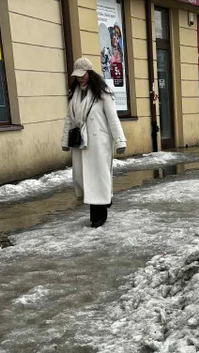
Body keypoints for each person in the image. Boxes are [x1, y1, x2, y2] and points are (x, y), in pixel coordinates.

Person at [62, 57, 127, 228]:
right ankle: (104, 200)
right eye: (77, 76)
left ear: (90, 73)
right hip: (80, 142)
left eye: (82, 75)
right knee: (84, 178)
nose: (79, 78)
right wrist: (65, 140)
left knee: (97, 178)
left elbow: (113, 118)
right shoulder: (74, 94)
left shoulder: (103, 92)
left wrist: (120, 141)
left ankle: (99, 215)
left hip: (99, 142)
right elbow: (69, 118)